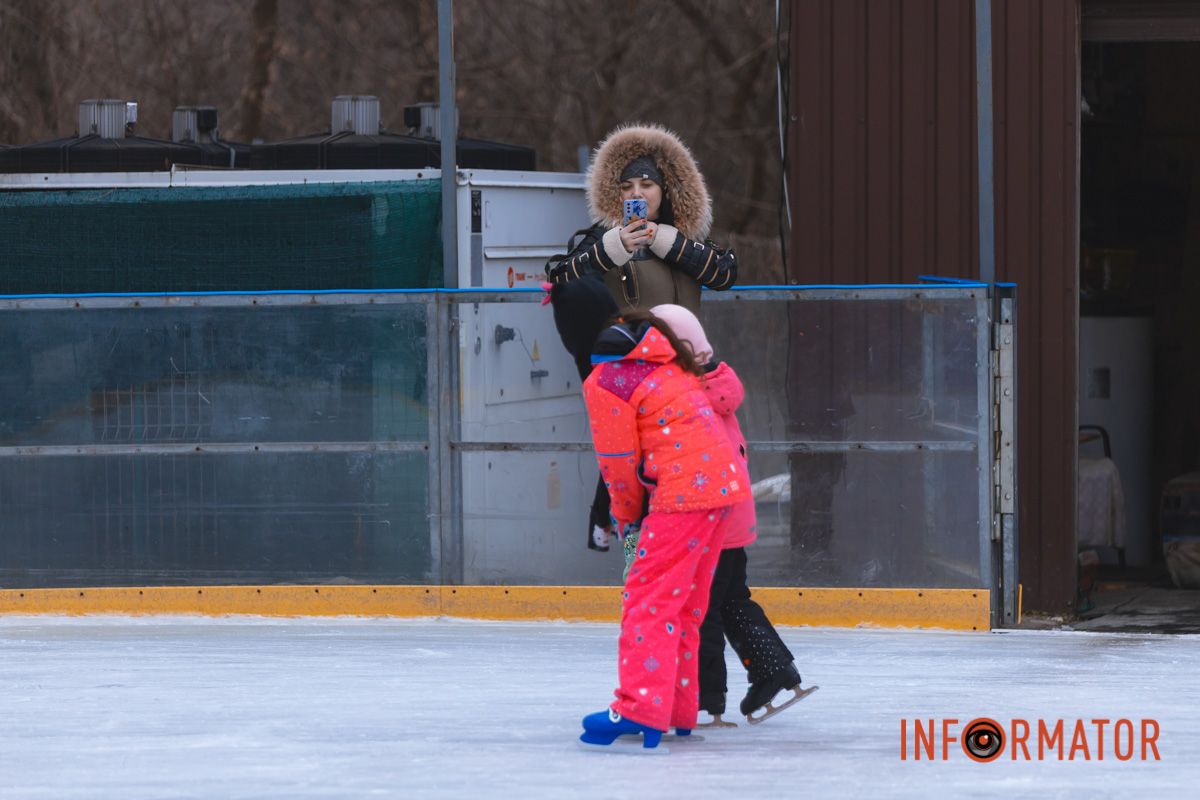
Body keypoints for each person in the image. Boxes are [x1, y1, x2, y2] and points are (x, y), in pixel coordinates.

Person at [545, 122, 740, 549]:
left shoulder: (685, 240)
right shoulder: (602, 239)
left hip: (687, 378)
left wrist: (669, 242)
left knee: (684, 474)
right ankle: (638, 558)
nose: (636, 194)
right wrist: (613, 247)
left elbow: (725, 273)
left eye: (647, 184)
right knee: (637, 467)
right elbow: (560, 275)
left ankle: (685, 565)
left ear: (666, 190)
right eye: (627, 185)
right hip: (636, 379)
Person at [578, 312, 750, 750]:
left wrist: (626, 516)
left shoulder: (606, 382)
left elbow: (617, 462)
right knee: (686, 604)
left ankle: (638, 707)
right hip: (724, 490)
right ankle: (677, 708)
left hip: (682, 497)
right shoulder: (669, 367)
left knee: (647, 603)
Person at [640, 304, 811, 726]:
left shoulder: (682, 393)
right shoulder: (716, 383)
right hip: (733, 513)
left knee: (701, 610)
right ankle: (773, 669)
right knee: (733, 597)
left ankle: (704, 699)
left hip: (705, 516)